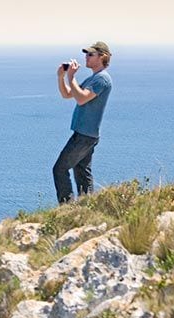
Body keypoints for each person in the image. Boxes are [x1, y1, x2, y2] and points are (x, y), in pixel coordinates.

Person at [53, 41, 113, 203]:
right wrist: (61, 77)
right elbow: (67, 94)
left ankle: (66, 207)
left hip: (84, 135)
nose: (86, 57)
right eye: (86, 54)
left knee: (60, 169)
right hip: (85, 134)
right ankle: (88, 205)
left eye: (90, 54)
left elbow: (81, 99)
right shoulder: (92, 79)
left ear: (103, 57)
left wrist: (71, 76)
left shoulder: (102, 80)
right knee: (81, 171)